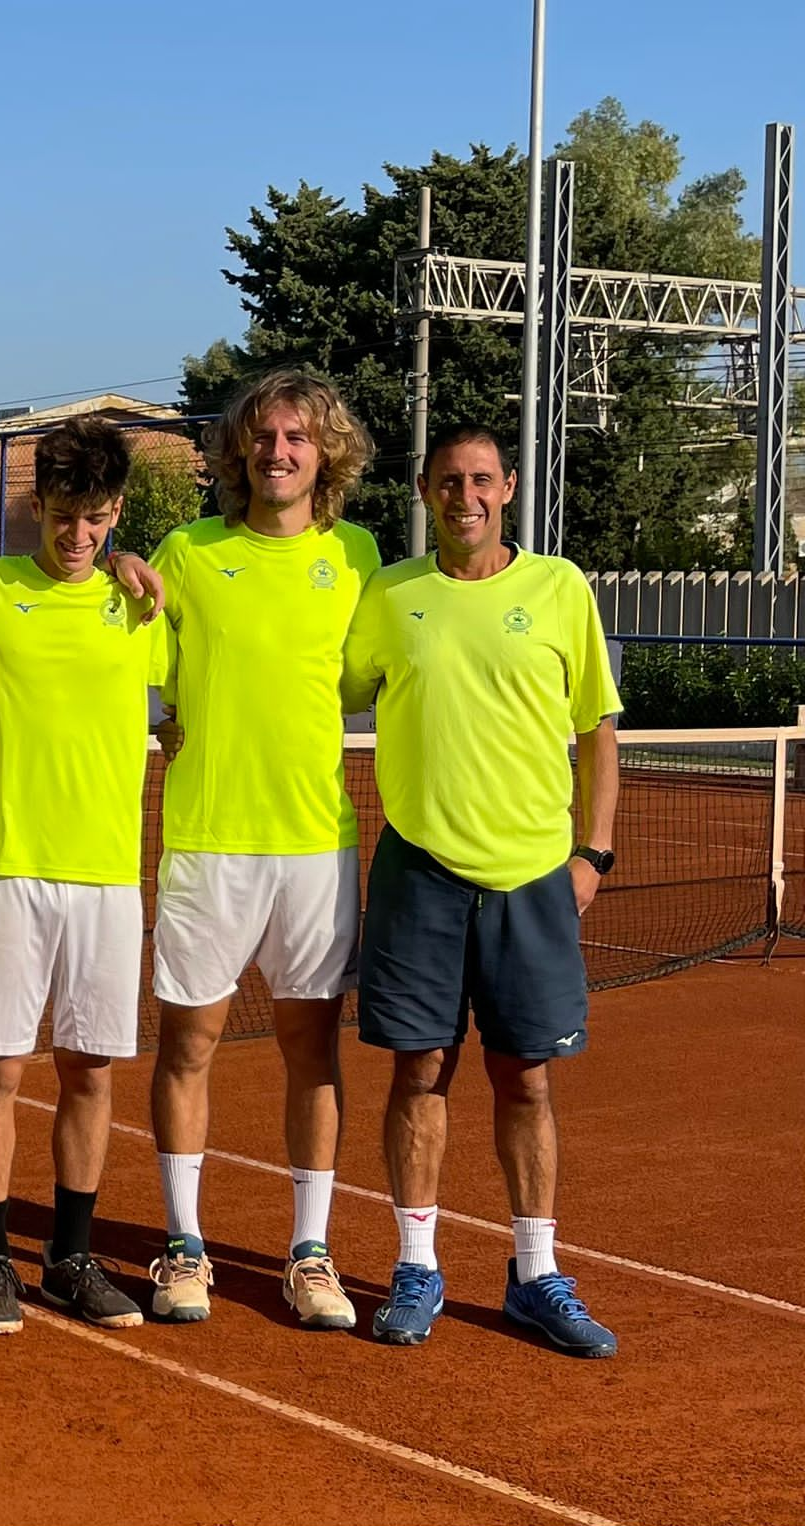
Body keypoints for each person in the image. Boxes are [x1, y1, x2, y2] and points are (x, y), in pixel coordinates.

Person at [342, 423, 621, 1357]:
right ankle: (416, 1264)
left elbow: (598, 730)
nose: (466, 496)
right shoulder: (390, 594)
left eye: (482, 480)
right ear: (424, 492)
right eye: (448, 482)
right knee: (419, 1069)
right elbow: (323, 688)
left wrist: (596, 855)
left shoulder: (558, 587)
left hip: (534, 877)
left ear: (507, 489)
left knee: (526, 1079)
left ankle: (534, 1274)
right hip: (419, 871)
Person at [143, 369, 379, 1329]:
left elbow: (378, 679)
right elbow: (137, 652)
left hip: (317, 848)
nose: (278, 452)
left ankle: (310, 1254)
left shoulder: (359, 557)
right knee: (187, 1045)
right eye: (263, 437)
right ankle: (183, 1247)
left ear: (326, 455)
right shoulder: (189, 552)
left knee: (311, 1049)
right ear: (239, 452)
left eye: (298, 438)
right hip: (207, 843)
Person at [0, 415, 169, 1336]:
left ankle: (69, 1256)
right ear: (38, 506)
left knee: (90, 1073)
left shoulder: (139, 606)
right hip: (9, 868)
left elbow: (193, 684)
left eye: (100, 518)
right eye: (66, 515)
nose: (80, 537)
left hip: (108, 876)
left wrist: (130, 561)